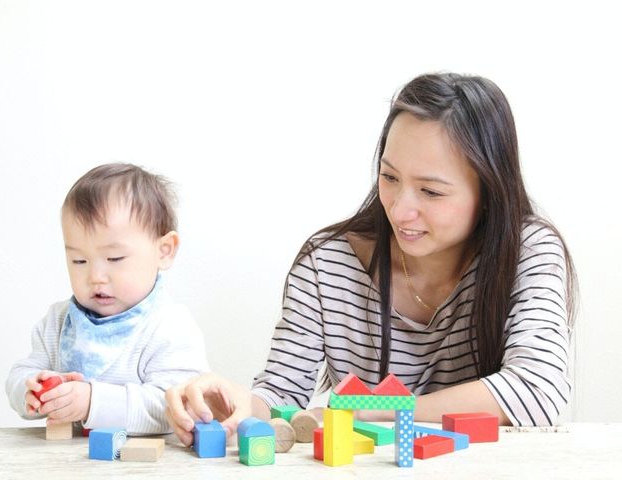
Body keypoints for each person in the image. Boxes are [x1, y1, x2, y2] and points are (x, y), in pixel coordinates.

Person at [165, 72, 577, 445]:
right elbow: (281, 396)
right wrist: (233, 406)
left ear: (489, 191)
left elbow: (538, 391)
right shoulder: (327, 264)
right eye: (390, 176)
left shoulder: (528, 251)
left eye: (431, 192)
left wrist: (375, 409)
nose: (399, 209)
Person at [6, 163, 209, 435]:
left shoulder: (170, 327)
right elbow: (21, 372)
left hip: (144, 459)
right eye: (79, 260)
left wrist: (93, 402)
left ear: (164, 251)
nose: (95, 277)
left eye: (114, 258)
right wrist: (31, 389)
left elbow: (174, 407)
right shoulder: (60, 322)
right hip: (66, 459)